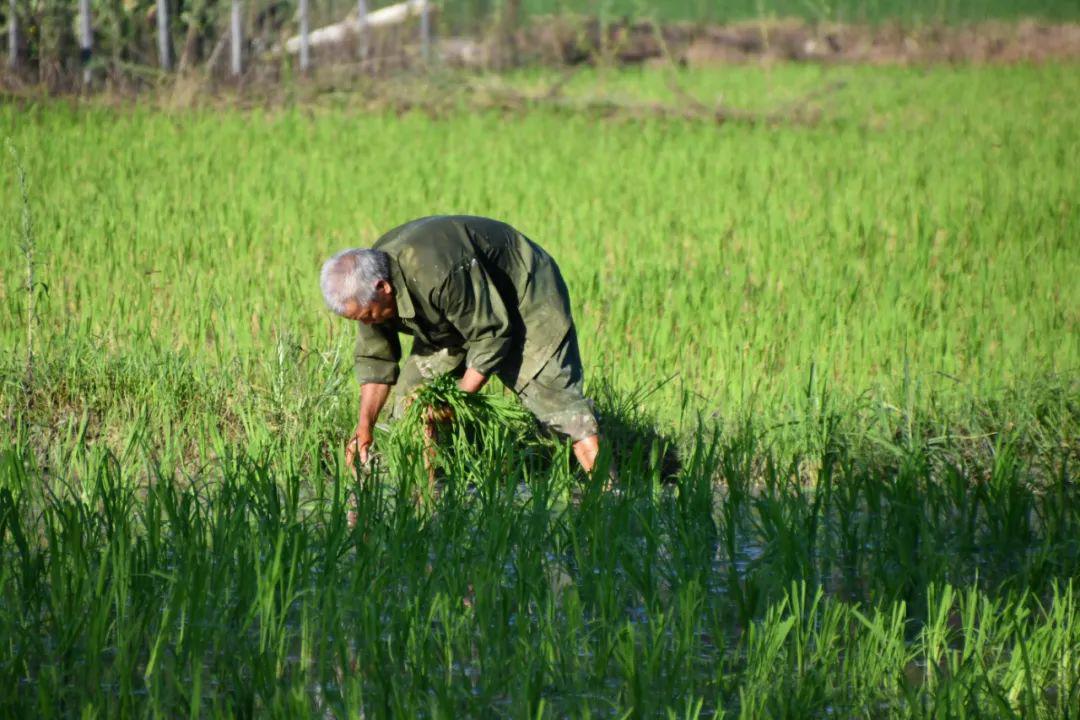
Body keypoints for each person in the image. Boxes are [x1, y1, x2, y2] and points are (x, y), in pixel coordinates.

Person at [320, 215, 602, 474]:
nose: (367, 323)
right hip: (457, 311)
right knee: (412, 405)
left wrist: (460, 396)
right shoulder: (363, 292)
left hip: (522, 291)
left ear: (384, 288)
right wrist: (364, 427)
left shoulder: (436, 272)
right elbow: (376, 362)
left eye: (368, 316)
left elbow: (491, 334)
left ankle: (608, 494)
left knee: (558, 406)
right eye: (359, 319)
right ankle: (425, 499)